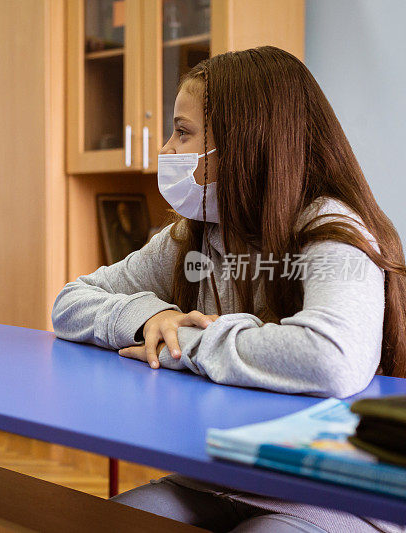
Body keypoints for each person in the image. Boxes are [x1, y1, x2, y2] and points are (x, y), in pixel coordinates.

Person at [52, 46, 406, 533]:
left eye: (183, 132)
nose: (168, 149)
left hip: (335, 495)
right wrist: (148, 318)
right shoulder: (195, 234)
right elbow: (69, 303)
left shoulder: (332, 230)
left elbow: (331, 357)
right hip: (215, 475)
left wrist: (187, 343)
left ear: (247, 143)